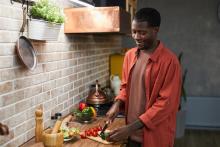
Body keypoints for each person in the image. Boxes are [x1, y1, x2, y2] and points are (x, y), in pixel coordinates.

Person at [106, 7, 182, 147]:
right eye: (134, 32)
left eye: (142, 33)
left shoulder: (170, 62)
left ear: (156, 30)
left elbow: (165, 105)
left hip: (155, 138)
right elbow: (125, 87)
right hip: (130, 135)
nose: (136, 37)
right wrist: (117, 104)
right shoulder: (129, 55)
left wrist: (130, 128)